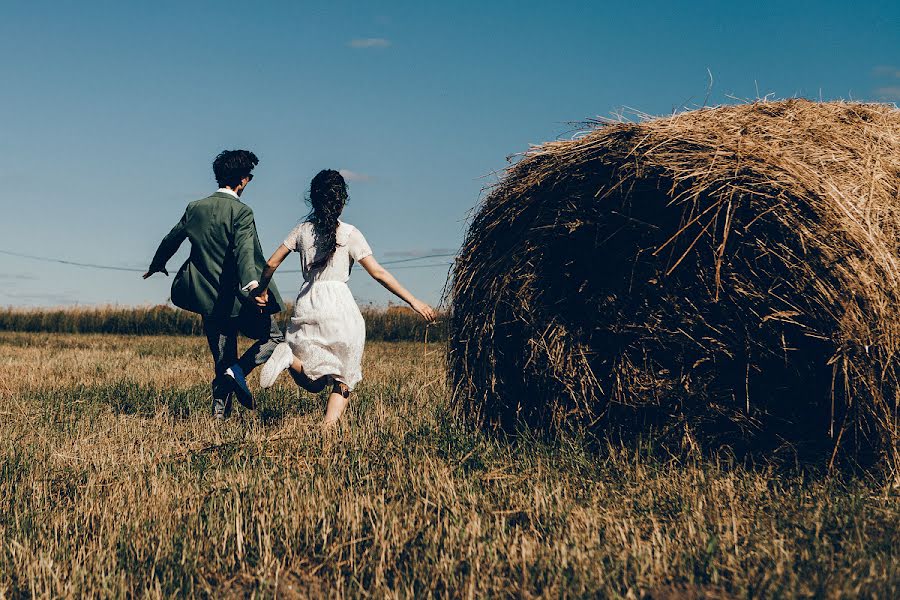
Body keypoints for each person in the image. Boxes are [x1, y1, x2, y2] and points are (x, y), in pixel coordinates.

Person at [253, 169, 436, 424]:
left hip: (308, 301)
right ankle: (327, 431)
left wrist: (262, 289)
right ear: (342, 201)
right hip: (340, 308)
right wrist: (414, 301)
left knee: (314, 380)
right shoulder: (350, 233)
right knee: (344, 376)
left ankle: (287, 356)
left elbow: (271, 262)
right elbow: (379, 273)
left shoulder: (302, 230)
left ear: (313, 199)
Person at [143, 149, 284, 419]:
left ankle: (219, 417)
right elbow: (244, 252)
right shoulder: (241, 211)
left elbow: (172, 238)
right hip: (240, 297)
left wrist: (157, 264)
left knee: (222, 358)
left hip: (208, 296)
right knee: (275, 338)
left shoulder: (195, 208)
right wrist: (253, 287)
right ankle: (239, 371)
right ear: (242, 180)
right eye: (249, 177)